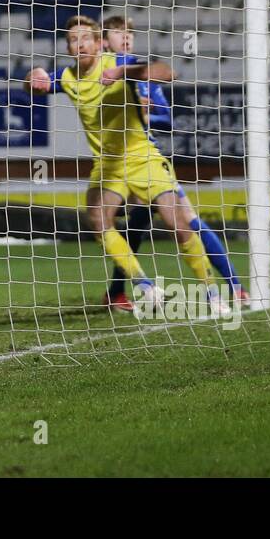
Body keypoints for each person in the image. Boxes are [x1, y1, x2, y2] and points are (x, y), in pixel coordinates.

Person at [25, 16, 225, 316]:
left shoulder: (119, 61)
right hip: (107, 164)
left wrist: (123, 71)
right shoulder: (66, 76)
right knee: (97, 220)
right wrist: (33, 76)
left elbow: (167, 73)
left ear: (97, 42)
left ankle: (212, 291)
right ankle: (144, 284)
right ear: (67, 48)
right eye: (72, 40)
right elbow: (32, 85)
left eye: (85, 39)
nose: (79, 44)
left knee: (177, 223)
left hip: (141, 156)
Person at [101, 16, 247, 310]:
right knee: (156, 224)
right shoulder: (99, 73)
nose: (126, 37)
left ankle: (233, 285)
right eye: (118, 32)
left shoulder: (142, 73)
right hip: (114, 162)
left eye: (129, 32)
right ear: (104, 41)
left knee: (171, 222)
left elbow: (167, 119)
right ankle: (232, 287)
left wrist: (146, 115)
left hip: (147, 160)